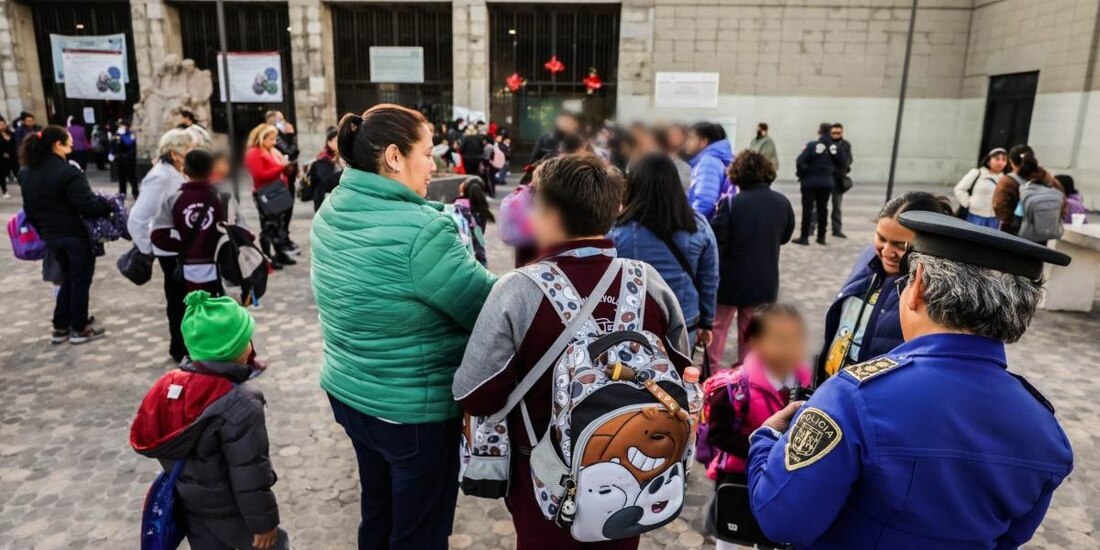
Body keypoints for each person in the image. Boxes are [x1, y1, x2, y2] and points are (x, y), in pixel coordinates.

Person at [746, 211, 1073, 549]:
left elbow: (782, 520)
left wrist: (766, 438)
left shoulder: (852, 397)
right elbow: (1010, 538)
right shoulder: (1045, 428)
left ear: (918, 286)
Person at [453, 153, 690, 550]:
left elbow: (476, 392)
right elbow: (679, 369)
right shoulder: (647, 282)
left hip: (545, 478)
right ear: (614, 210)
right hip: (633, 467)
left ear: (544, 212)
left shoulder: (517, 290)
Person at [310, 104, 495, 549]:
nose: (435, 165)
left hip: (351, 394)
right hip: (412, 413)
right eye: (428, 153)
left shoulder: (332, 207)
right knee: (420, 534)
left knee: (378, 511)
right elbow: (489, 312)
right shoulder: (424, 233)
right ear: (394, 157)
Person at [129, 290, 289, 550]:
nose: (251, 345)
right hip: (235, 514)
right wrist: (264, 524)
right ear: (233, 349)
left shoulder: (170, 387)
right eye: (247, 339)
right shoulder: (242, 403)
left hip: (194, 507)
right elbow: (249, 472)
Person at [704, 305, 811, 550]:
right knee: (730, 531)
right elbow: (718, 435)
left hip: (778, 476)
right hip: (738, 475)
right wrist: (764, 446)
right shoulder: (733, 388)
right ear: (754, 341)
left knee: (767, 535)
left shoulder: (805, 381)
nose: (787, 348)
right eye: (778, 340)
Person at [816, 192, 952, 382]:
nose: (886, 251)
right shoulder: (867, 258)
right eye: (881, 238)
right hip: (836, 385)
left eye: (900, 245)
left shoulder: (936, 291)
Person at [610, 153, 718, 350]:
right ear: (675, 184)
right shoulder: (699, 226)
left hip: (633, 324)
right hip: (685, 323)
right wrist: (707, 322)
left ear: (633, 184)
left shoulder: (617, 231)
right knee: (679, 376)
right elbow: (709, 278)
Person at [18, 125, 111, 344]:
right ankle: (79, 327)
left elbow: (29, 210)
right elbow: (86, 205)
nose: (72, 145)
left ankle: (60, 326)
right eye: (68, 141)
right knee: (80, 280)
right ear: (57, 145)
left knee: (68, 278)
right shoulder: (67, 172)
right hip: (74, 235)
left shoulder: (26, 173)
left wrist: (45, 231)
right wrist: (107, 207)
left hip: (51, 236)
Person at [708, 150, 795, 366]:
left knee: (717, 329)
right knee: (752, 333)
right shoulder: (782, 202)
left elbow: (717, 243)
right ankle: (747, 377)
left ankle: (709, 371)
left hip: (728, 281)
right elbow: (785, 236)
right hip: (764, 280)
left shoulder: (730, 204)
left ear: (737, 174)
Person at [127, 128, 197, 362]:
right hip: (169, 250)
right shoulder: (161, 176)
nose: (192, 153)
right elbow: (137, 218)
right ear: (176, 154)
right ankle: (179, 347)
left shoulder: (174, 172)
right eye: (189, 149)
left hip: (179, 246)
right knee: (177, 299)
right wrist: (149, 250)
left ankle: (185, 344)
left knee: (184, 298)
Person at [151, 149, 240, 295]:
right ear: (211, 170)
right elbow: (239, 231)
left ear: (185, 170)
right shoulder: (223, 198)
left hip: (189, 265)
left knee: (192, 309)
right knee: (218, 309)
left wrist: (183, 246)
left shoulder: (174, 199)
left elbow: (158, 235)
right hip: (220, 265)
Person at [244, 123, 296, 268]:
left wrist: (287, 168)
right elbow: (259, 175)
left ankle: (279, 253)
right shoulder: (254, 153)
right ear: (262, 138)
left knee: (279, 225)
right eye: (271, 139)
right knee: (268, 226)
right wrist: (281, 167)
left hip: (276, 191)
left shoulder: (270, 150)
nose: (274, 142)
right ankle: (267, 256)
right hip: (265, 193)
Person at [792, 123, 845, 246]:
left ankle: (804, 237)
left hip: (809, 183)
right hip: (826, 182)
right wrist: (832, 173)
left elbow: (800, 162)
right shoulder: (835, 147)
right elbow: (843, 163)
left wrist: (803, 175)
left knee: (807, 210)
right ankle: (821, 237)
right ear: (830, 132)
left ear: (819, 132)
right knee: (823, 209)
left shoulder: (811, 145)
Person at [993, 144, 1063, 234]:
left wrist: (1015, 221)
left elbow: (999, 206)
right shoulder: (1046, 176)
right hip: (1043, 230)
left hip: (1014, 231)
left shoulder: (1008, 181)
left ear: (1011, 162)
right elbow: (1062, 199)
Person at [685, 122, 733, 219]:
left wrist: (691, 224)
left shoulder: (708, 162)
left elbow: (705, 202)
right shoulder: (712, 160)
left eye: (691, 138)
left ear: (703, 142)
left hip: (703, 227)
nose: (686, 142)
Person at [953, 147, 1007, 228]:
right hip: (975, 216)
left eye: (1004, 160)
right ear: (989, 160)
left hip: (994, 219)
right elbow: (959, 189)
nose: (1001, 162)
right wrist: (968, 202)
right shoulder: (977, 173)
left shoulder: (1005, 179)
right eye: (997, 159)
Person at [828, 123, 852, 239]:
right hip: (826, 179)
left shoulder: (845, 145)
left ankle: (836, 229)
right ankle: (813, 228)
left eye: (838, 133)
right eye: (834, 133)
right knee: (818, 206)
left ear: (842, 133)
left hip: (838, 181)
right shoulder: (827, 144)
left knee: (837, 206)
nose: (836, 135)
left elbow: (849, 159)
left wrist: (843, 169)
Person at [310, 127, 342, 212]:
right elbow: (328, 181)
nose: (339, 143)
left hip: (338, 199)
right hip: (324, 199)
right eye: (336, 140)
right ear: (329, 142)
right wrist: (345, 172)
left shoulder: (342, 156)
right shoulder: (323, 159)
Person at [654, 124, 692, 190]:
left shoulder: (687, 163)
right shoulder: (648, 159)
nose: (674, 137)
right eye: (671, 134)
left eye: (677, 135)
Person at [110, 119, 139, 198]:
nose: (120, 127)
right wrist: (111, 153)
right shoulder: (117, 134)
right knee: (121, 177)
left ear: (126, 126)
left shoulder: (131, 134)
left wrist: (122, 135)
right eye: (119, 126)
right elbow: (113, 145)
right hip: (120, 159)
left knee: (132, 177)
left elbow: (129, 142)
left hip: (129, 159)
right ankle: (122, 193)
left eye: (122, 125)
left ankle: (135, 192)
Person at [0, 118, 15, 197]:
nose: (2, 127)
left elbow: (14, 143)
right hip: (1, 158)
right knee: (1, 175)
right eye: (0, 125)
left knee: (17, 171)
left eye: (3, 124)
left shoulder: (10, 133)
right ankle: (4, 190)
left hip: (12, 156)